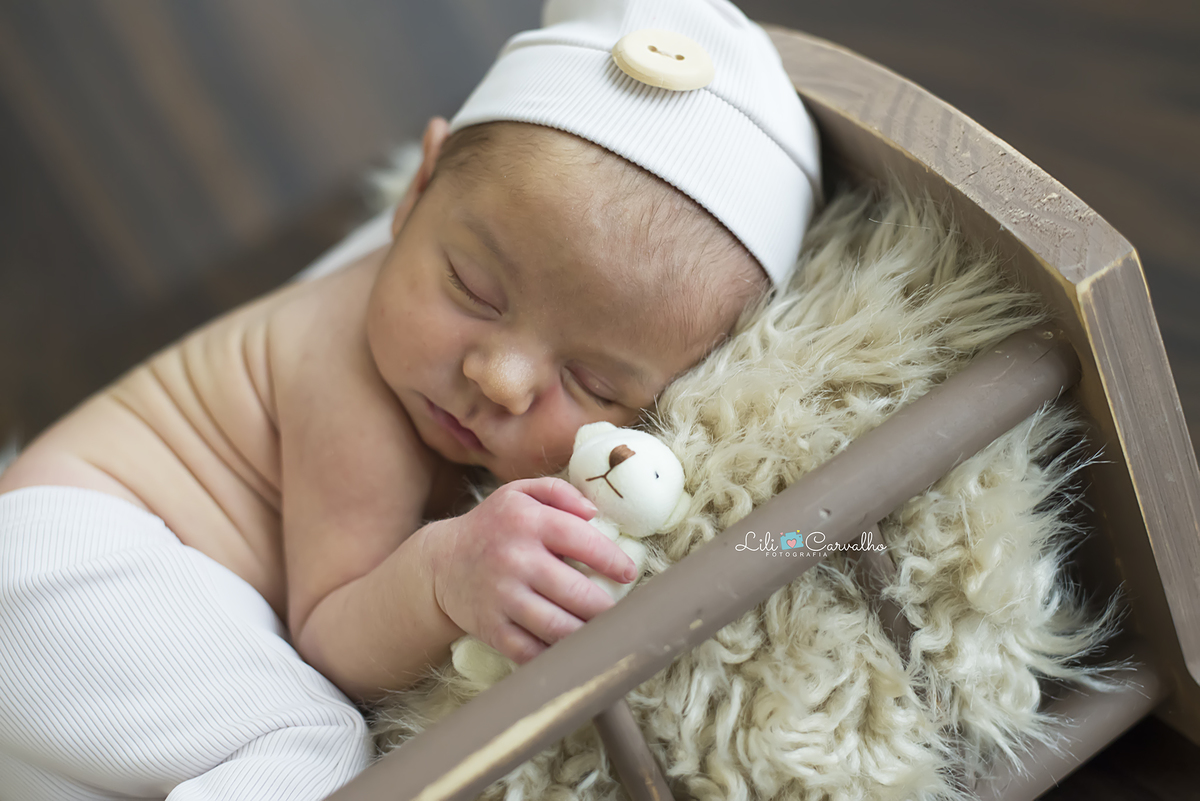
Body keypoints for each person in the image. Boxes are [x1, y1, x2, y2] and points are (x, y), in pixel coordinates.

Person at [0, 0, 820, 797]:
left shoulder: (454, 267)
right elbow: (332, 637)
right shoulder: (350, 379)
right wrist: (444, 573)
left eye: (592, 382)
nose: (499, 378)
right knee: (319, 749)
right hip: (68, 562)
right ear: (416, 188)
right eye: (474, 289)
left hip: (82, 637)